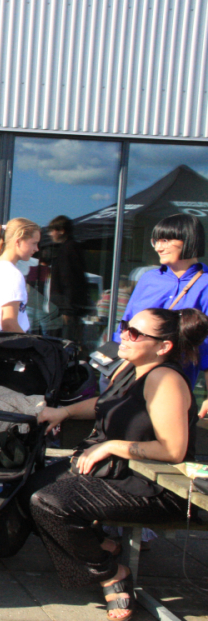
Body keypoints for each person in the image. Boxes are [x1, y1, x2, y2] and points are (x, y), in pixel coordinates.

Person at [29, 307, 208, 620]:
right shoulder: (130, 367)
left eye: (135, 333)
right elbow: (105, 403)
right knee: (25, 493)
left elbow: (173, 450)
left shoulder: (165, 379)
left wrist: (111, 446)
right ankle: (103, 547)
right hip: (119, 472)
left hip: (156, 485)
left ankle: (111, 572)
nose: (124, 334)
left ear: (163, 346)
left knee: (48, 503)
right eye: (126, 326)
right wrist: (64, 412)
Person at [114, 213, 208, 409]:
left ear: (189, 239)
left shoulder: (205, 283)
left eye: (165, 240)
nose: (158, 247)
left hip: (171, 380)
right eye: (155, 241)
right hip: (130, 373)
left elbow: (206, 344)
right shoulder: (149, 279)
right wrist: (117, 366)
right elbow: (126, 322)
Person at [0, 218, 41, 334]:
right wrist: (29, 341)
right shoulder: (12, 273)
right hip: (2, 341)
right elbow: (9, 324)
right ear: (18, 241)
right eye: (34, 243)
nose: (37, 249)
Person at [46, 215, 89, 342]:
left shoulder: (69, 249)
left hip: (64, 308)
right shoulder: (68, 248)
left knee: (61, 341)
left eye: (52, 230)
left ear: (61, 231)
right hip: (63, 306)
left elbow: (69, 280)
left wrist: (67, 310)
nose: (50, 234)